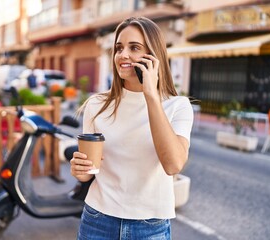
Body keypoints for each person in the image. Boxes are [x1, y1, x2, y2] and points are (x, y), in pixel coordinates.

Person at [70, 16, 194, 239]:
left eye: (134, 47)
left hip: (150, 227)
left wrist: (151, 96)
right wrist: (80, 170)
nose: (123, 55)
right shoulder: (96, 105)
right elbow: (89, 173)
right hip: (97, 220)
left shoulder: (178, 106)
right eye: (119, 48)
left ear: (153, 56)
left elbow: (173, 164)